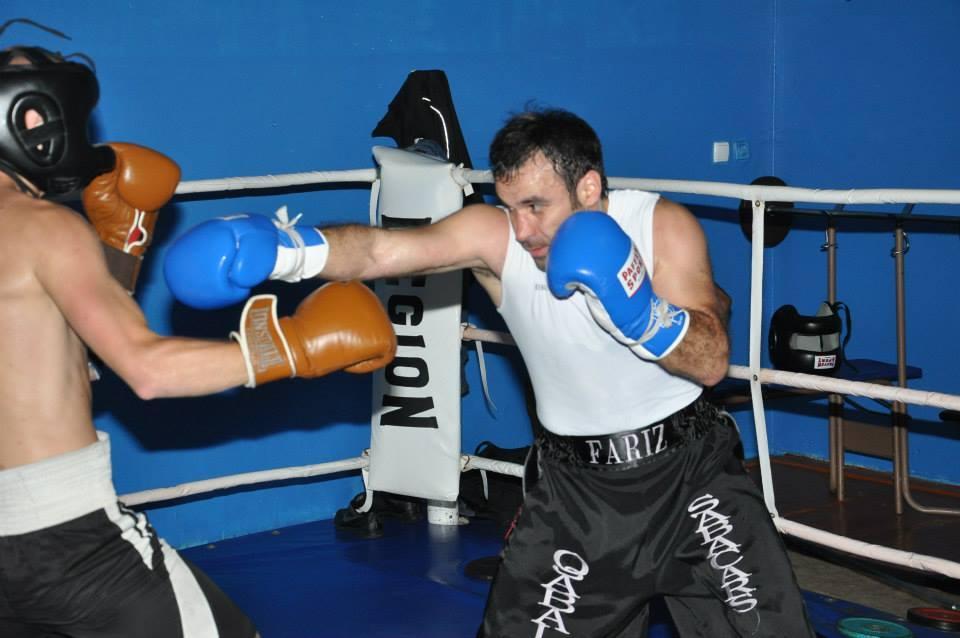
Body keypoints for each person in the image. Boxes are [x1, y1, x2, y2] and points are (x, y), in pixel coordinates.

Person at [164, 107, 816, 637]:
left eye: (537, 205)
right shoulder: (495, 234)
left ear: (589, 187)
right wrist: (289, 251)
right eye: (511, 206)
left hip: (693, 476)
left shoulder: (659, 226)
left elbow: (711, 361)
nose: (524, 230)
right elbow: (388, 250)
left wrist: (641, 313)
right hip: (576, 495)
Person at [0, 45, 397, 638]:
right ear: (28, 116)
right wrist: (295, 345)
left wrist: (120, 246)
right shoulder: (46, 228)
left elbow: (44, 362)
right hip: (72, 542)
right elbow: (147, 370)